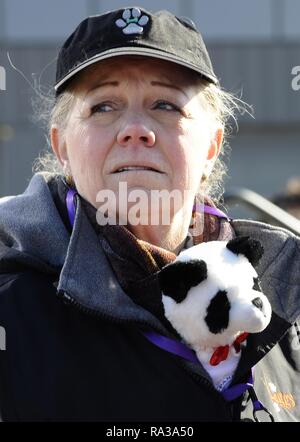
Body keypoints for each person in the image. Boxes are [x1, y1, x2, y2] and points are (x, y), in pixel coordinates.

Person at [0, 6, 299, 422]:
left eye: (166, 104)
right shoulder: (11, 315)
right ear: (62, 147)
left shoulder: (284, 310)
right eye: (103, 106)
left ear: (211, 147)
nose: (136, 128)